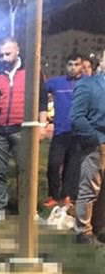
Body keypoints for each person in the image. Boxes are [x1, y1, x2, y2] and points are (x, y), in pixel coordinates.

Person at [0, 37, 46, 221]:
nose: (4, 58)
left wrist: (42, 125)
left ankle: (28, 209)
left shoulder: (31, 72)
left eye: (8, 54)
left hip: (22, 129)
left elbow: (42, 99)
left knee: (26, 170)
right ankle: (1, 208)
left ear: (17, 50)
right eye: (0, 55)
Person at [42, 54, 84, 208]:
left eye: (76, 64)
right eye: (70, 64)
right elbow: (39, 90)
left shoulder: (88, 83)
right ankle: (54, 195)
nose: (73, 67)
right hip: (60, 131)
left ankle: (67, 196)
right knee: (53, 164)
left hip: (79, 133)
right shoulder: (56, 82)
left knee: (72, 167)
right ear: (66, 66)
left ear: (81, 66)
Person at [71, 68, 105, 245]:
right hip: (96, 143)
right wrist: (95, 139)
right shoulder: (88, 84)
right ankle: (83, 231)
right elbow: (77, 117)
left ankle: (100, 228)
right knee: (90, 188)